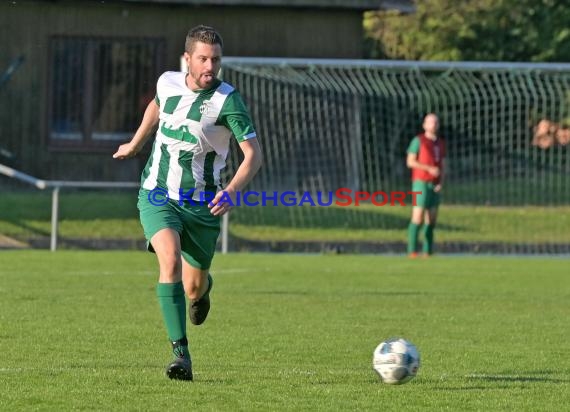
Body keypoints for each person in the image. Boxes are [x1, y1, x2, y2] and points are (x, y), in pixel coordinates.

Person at [113, 25, 262, 381]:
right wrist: (135, 145)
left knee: (193, 285)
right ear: (188, 60)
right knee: (169, 261)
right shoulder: (168, 82)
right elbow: (156, 106)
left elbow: (253, 155)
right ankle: (181, 353)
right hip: (158, 193)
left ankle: (204, 289)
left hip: (203, 206)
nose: (211, 66)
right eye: (203, 59)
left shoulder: (228, 101)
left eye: (216, 59)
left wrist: (232, 191)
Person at [406, 113, 445, 258]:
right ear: (424, 125)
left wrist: (441, 182)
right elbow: (410, 162)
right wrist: (428, 169)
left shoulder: (440, 143)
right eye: (430, 122)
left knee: (432, 219)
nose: (433, 125)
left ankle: (428, 251)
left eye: (435, 122)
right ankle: (412, 251)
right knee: (418, 217)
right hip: (420, 183)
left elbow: (443, 165)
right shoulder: (418, 141)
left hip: (434, 185)